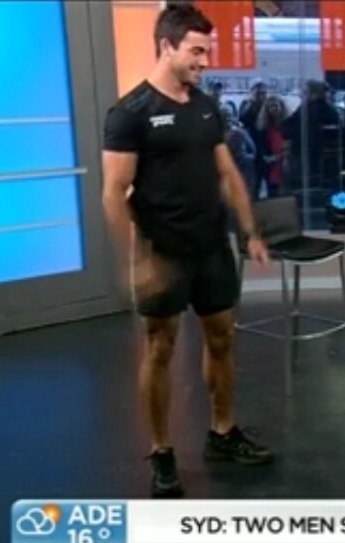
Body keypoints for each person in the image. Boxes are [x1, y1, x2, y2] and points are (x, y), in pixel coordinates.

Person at [100, 5, 274, 499]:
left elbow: (226, 172)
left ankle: (222, 432)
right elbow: (113, 193)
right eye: (196, 50)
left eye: (207, 50)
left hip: (210, 245)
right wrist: (136, 259)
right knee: (160, 348)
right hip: (164, 250)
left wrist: (249, 230)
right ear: (167, 46)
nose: (205, 60)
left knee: (222, 337)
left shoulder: (204, 106)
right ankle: (161, 451)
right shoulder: (130, 113)